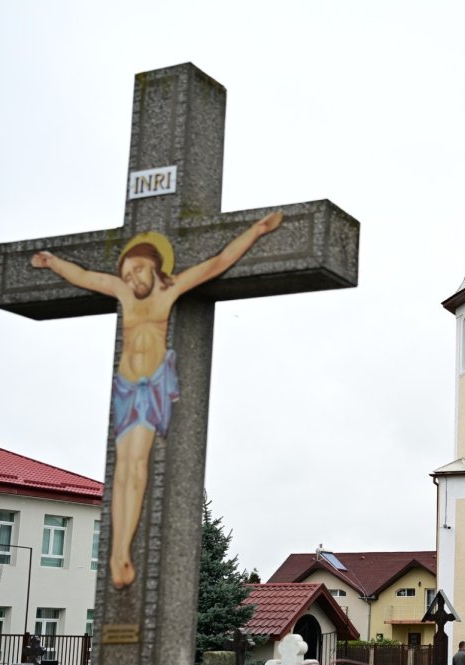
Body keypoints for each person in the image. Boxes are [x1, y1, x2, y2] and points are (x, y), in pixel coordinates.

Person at [30, 211, 284, 590]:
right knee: (122, 470)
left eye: (138, 272)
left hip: (150, 389)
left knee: (136, 467)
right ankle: (118, 551)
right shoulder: (122, 293)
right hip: (126, 388)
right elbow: (84, 277)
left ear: (154, 267)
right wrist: (52, 262)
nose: (132, 280)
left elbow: (219, 261)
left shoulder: (170, 289)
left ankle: (123, 552)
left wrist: (257, 231)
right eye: (127, 274)